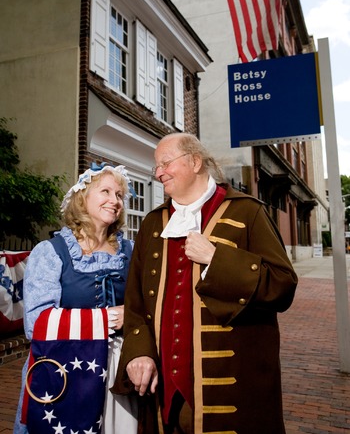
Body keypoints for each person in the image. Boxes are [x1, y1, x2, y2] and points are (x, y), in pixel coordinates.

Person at [112, 133, 298, 434]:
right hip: (163, 395)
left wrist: (216, 259)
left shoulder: (248, 212)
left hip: (231, 391)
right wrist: (138, 351)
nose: (159, 173)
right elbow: (135, 302)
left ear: (195, 161)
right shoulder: (152, 224)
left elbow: (283, 285)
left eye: (165, 163)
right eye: (156, 167)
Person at [14, 163, 138, 434]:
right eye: (105, 191)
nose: (114, 201)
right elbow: (37, 323)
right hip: (64, 365)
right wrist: (113, 317)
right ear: (82, 198)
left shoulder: (131, 250)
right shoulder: (51, 252)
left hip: (121, 369)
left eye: (119, 195)